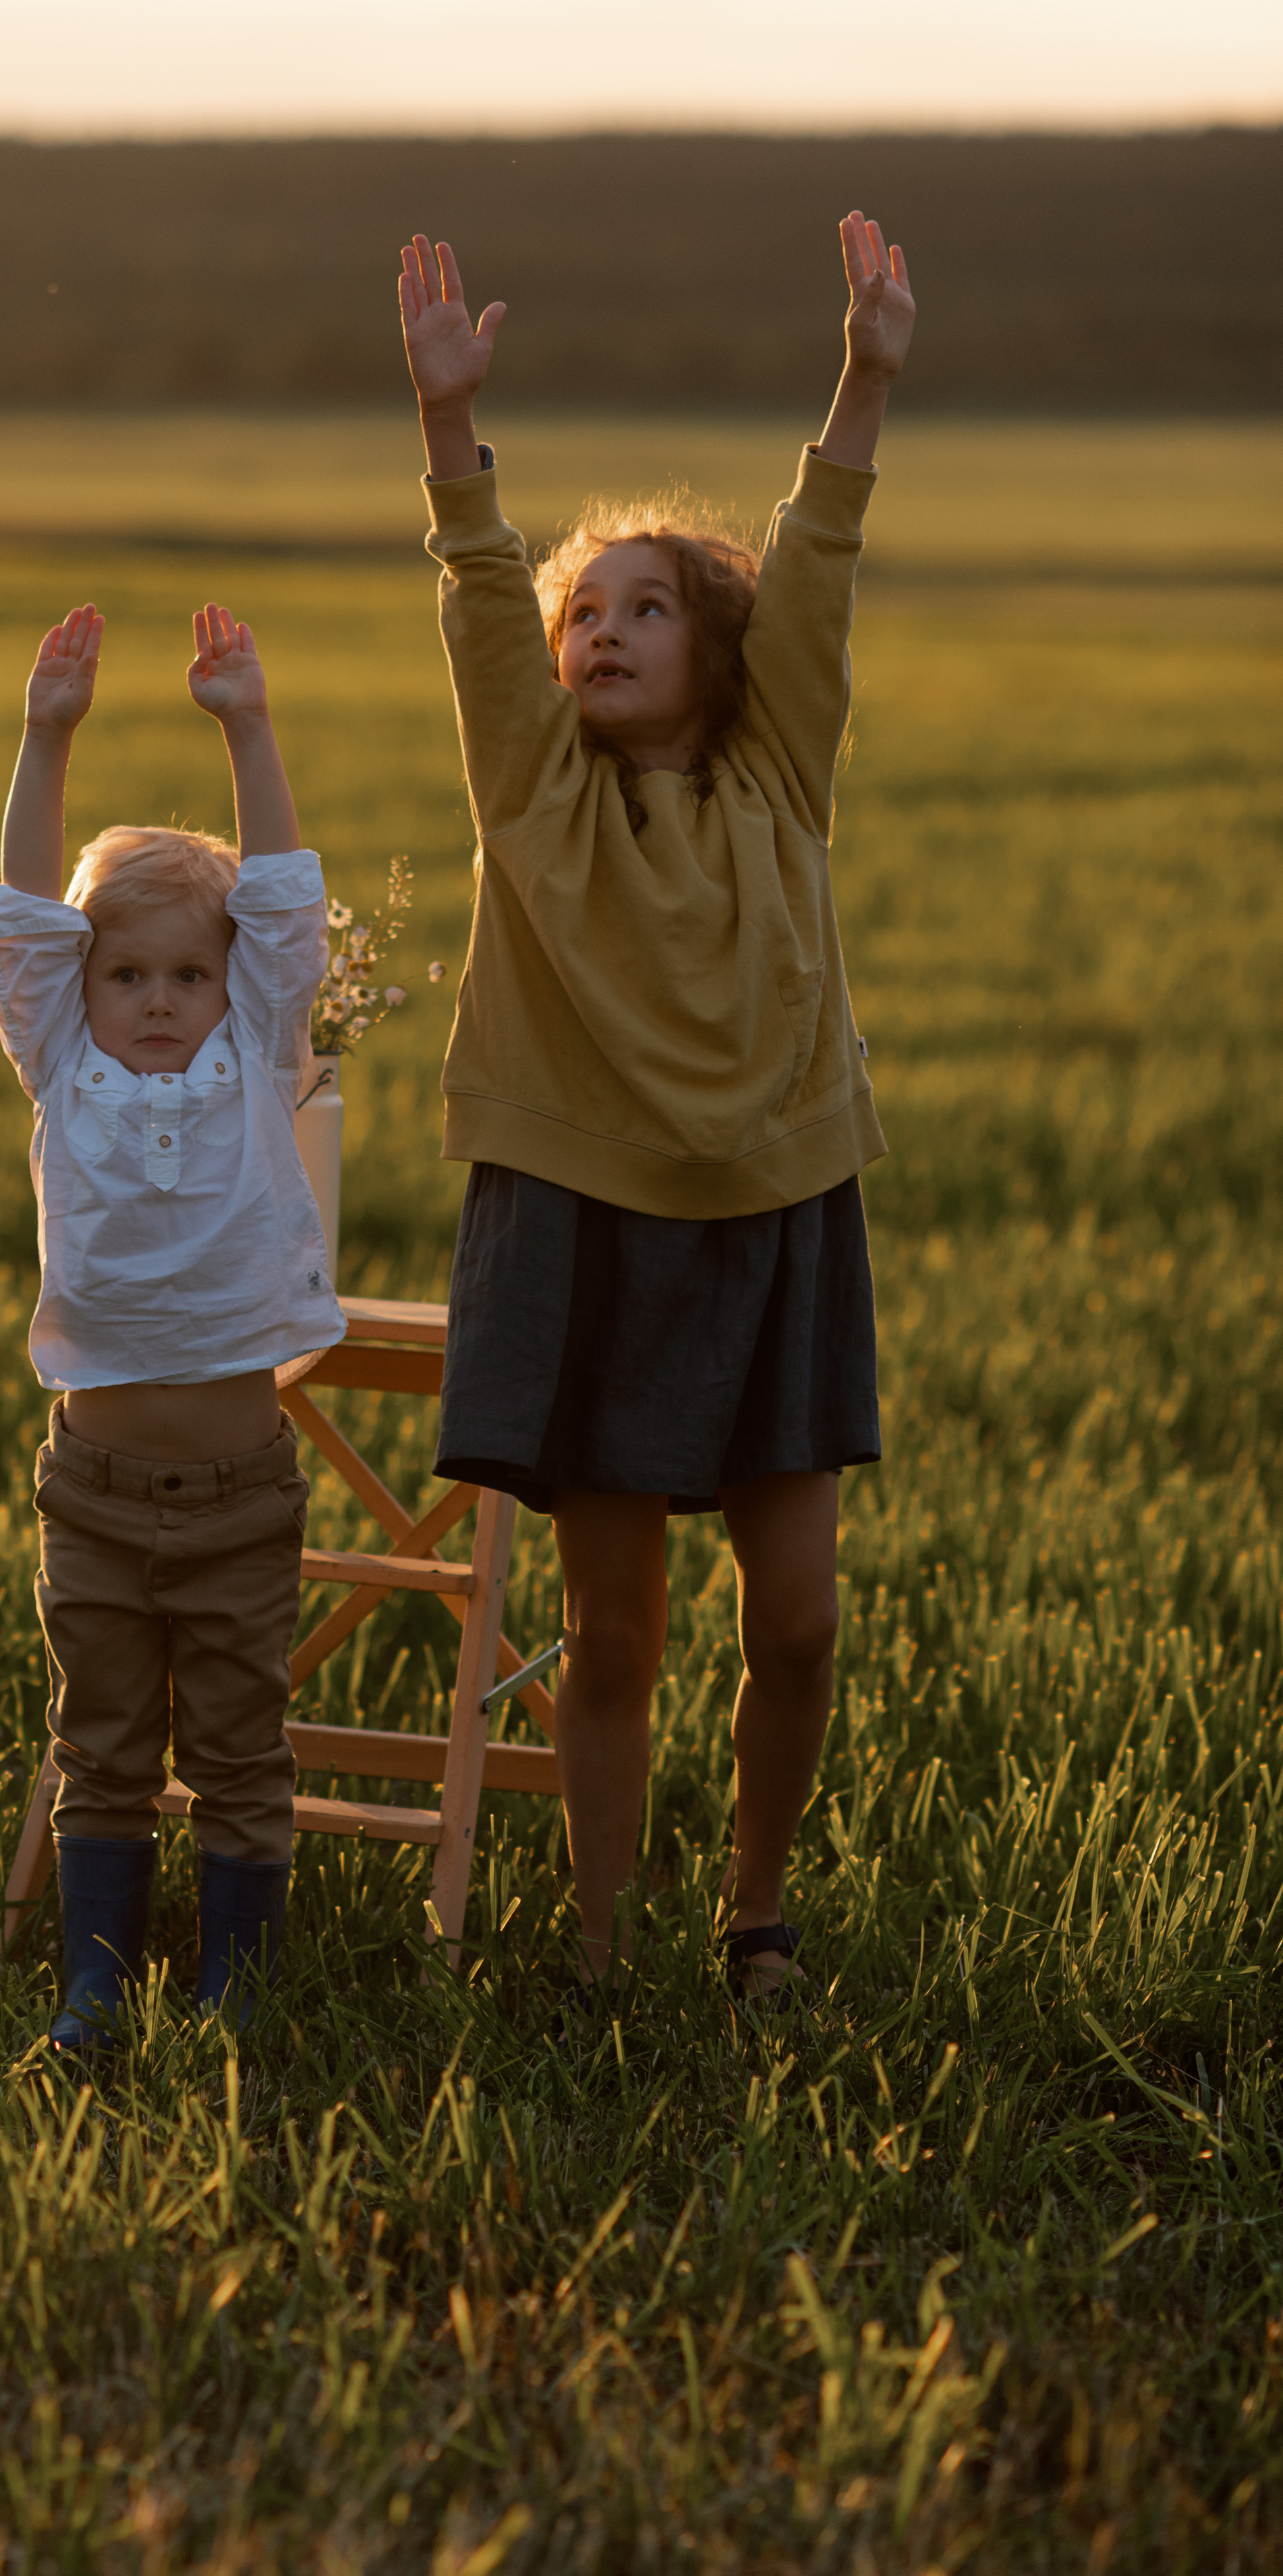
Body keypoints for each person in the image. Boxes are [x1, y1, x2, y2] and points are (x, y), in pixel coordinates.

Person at [397, 212, 915, 1999]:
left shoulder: (782, 774)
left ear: (718, 650)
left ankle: (754, 1916)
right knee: (614, 1633)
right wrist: (452, 437)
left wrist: (861, 373)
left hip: (780, 1213)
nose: (600, 633)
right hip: (582, 1222)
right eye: (582, 616)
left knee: (804, 1616)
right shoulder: (533, 802)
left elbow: (823, 548)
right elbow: (480, 604)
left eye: (643, 608)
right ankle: (609, 1950)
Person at [0, 598, 344, 2049]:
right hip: (97, 1496)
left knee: (243, 1748)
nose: (157, 1001)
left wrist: (247, 724)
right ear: (80, 990)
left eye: (186, 974)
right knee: (106, 1747)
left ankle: (239, 1989)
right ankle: (92, 1987)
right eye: (126, 974)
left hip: (243, 1497)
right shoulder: (60, 1061)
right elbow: (18, 920)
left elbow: (286, 903)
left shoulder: (256, 1048)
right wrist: (42, 735)